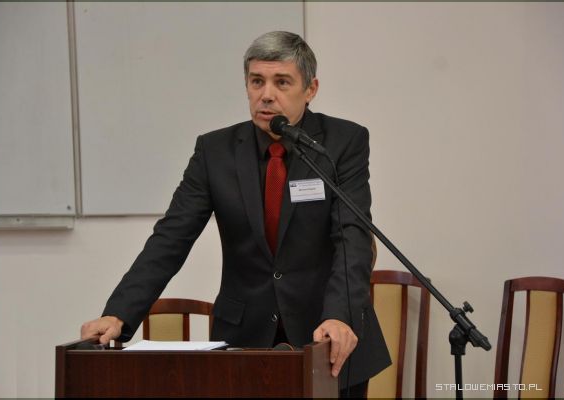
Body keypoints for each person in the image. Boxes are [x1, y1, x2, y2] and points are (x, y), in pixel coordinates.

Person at [81, 31, 391, 397]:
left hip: (328, 335)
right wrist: (118, 313)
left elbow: (352, 238)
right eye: (257, 81)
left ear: (311, 89)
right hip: (245, 340)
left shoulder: (342, 143)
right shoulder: (215, 152)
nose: (266, 94)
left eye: (282, 82)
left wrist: (339, 315)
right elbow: (171, 238)